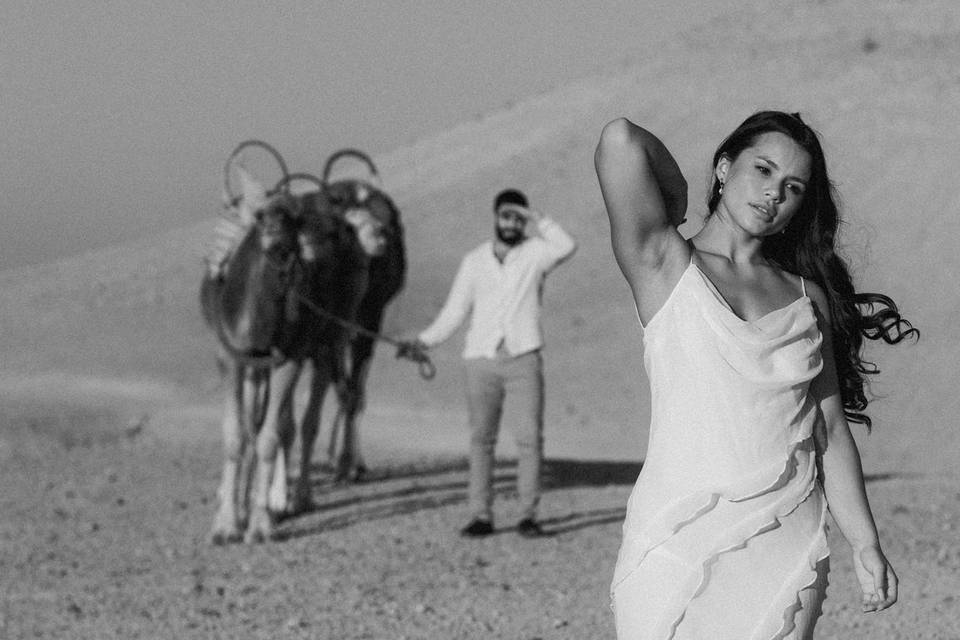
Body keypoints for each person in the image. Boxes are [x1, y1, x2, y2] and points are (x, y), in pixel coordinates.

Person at [594, 111, 917, 638]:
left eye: (792, 187)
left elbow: (830, 428)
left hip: (784, 531)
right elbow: (619, 139)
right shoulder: (665, 265)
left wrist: (865, 543)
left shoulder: (806, 296)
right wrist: (676, 196)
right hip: (675, 533)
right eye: (762, 171)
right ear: (725, 167)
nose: (773, 194)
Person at [409, 189, 576, 538]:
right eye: (506, 216)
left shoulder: (536, 254)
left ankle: (527, 515)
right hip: (481, 361)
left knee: (529, 438)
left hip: (523, 358)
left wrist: (537, 217)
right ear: (495, 218)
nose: (512, 224)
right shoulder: (474, 261)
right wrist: (425, 341)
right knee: (481, 439)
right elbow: (455, 310)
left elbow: (566, 245)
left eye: (518, 218)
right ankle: (480, 514)